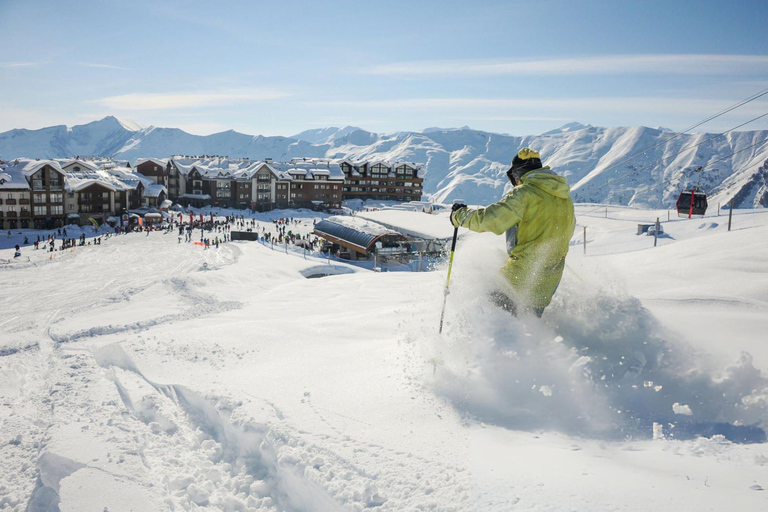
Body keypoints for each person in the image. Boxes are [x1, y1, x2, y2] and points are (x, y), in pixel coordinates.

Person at [450, 148, 576, 317]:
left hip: (517, 279)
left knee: (490, 321)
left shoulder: (525, 194)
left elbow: (489, 220)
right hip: (548, 283)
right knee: (525, 329)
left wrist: (459, 216)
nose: (516, 182)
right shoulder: (564, 198)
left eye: (515, 178)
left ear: (519, 174)